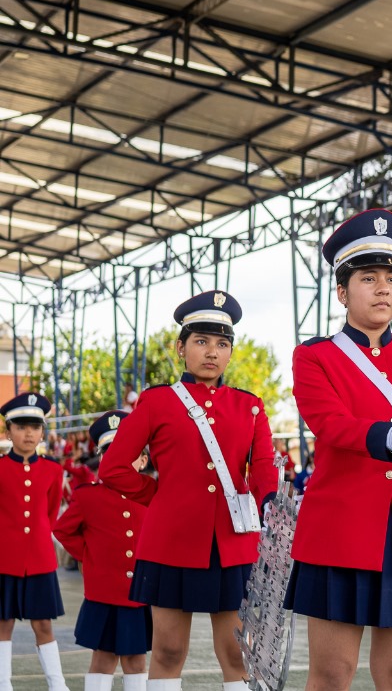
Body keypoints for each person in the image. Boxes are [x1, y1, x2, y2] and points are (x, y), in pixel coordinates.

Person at [279, 208, 392, 691]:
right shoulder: (315, 355)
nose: (383, 288)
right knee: (332, 675)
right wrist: (385, 436)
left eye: (391, 278)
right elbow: (329, 424)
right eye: (368, 277)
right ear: (342, 292)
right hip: (343, 532)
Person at [99, 292, 274, 691]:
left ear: (230, 352)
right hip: (171, 543)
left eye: (222, 344)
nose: (212, 352)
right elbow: (113, 468)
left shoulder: (249, 406)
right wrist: (159, 498)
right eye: (201, 341)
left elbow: (262, 466)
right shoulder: (156, 402)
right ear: (181, 348)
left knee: (236, 652)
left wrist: (267, 501)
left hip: (231, 545)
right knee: (168, 651)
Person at [54, 411, 151, 691]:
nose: (118, 457)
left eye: (129, 451)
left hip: (141, 593)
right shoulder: (88, 496)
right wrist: (89, 556)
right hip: (104, 594)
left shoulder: (153, 493)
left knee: (136, 660)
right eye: (111, 452)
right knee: (103, 658)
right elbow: (62, 530)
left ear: (143, 460)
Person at [0, 393, 69, 691]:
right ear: (7, 431)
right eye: (20, 426)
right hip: (4, 559)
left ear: (43, 431)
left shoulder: (54, 470)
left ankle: (58, 684)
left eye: (34, 426)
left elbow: (50, 513)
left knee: (44, 625)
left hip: (40, 560)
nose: (28, 433)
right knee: (3, 624)